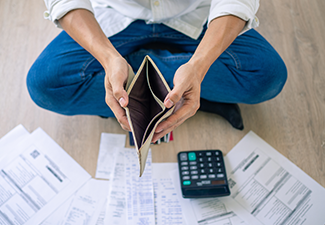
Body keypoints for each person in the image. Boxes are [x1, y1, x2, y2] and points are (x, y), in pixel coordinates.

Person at [27, 0, 287, 142]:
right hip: (116, 16)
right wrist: (108, 58)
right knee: (45, 85)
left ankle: (144, 83)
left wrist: (199, 65)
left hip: (198, 13)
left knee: (267, 77)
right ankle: (187, 89)